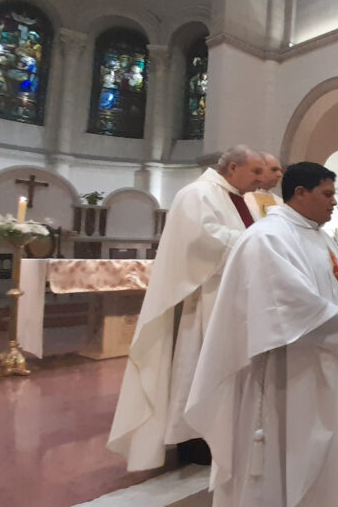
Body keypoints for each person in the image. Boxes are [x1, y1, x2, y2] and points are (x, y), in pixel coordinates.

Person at [185, 162, 338, 507]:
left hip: (328, 364)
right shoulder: (268, 237)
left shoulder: (322, 237)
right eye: (327, 194)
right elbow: (289, 304)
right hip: (287, 372)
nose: (334, 202)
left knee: (326, 458)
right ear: (300, 193)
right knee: (286, 455)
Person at [108, 145, 265, 470]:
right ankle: (196, 441)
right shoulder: (196, 194)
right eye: (255, 171)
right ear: (233, 168)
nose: (260, 179)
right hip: (205, 301)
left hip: (237, 300)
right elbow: (202, 241)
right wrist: (257, 241)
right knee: (198, 369)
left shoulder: (243, 199)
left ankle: (230, 434)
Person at [244, 152, 284, 218]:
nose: (280, 175)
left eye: (281, 171)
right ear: (258, 169)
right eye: (274, 169)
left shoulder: (280, 202)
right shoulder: (243, 197)